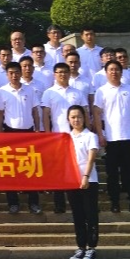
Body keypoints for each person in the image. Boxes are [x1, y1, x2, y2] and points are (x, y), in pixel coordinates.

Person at [93, 60, 130, 214]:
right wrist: (100, 134)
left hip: (129, 136)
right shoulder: (101, 91)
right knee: (112, 173)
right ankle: (114, 201)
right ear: (106, 72)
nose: (114, 72)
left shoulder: (129, 89)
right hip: (111, 138)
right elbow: (96, 113)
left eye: (117, 69)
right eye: (111, 69)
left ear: (121, 72)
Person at [0, 61, 42, 215]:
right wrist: (0, 133)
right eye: (11, 73)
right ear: (7, 75)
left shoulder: (30, 90)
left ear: (21, 73)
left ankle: (33, 202)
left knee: (30, 168)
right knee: (11, 169)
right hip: (10, 133)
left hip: (28, 133)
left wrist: (37, 129)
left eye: (17, 72)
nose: (14, 75)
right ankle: (13, 203)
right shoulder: (2, 91)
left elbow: (35, 111)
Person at [42, 62, 85, 214]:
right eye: (59, 72)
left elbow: (84, 112)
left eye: (65, 72)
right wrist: (47, 134)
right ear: (54, 74)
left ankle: (77, 202)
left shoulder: (77, 93)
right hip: (57, 136)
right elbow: (46, 115)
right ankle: (59, 204)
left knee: (76, 168)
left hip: (76, 136)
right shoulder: (49, 93)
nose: (62, 74)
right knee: (58, 171)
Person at [66, 105, 100, 259]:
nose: (76, 120)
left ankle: (92, 248)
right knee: (78, 215)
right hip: (72, 182)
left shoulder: (90, 136)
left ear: (84, 118)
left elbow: (91, 158)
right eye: (73, 117)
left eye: (79, 117)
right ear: (68, 119)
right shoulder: (66, 138)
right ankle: (81, 247)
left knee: (90, 214)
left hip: (89, 180)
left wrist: (85, 176)